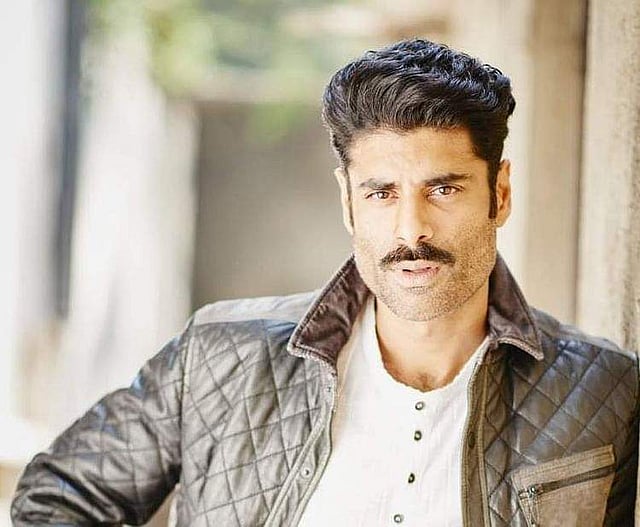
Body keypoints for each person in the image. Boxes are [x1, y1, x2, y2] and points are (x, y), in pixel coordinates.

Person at [11, 39, 638, 527]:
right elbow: (57, 498)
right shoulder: (218, 356)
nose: (411, 228)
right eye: (382, 193)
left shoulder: (604, 392)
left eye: (443, 189)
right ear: (348, 201)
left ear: (499, 194)